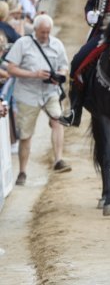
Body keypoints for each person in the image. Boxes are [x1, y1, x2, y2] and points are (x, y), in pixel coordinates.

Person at [5, 14, 71, 185]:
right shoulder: (22, 44)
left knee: (58, 120)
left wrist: (60, 76)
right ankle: (22, 171)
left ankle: (58, 160)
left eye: (48, 32)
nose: (45, 35)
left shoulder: (57, 44)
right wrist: (33, 74)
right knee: (26, 134)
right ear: (35, 30)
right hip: (27, 93)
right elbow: (11, 68)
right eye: (42, 32)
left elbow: (64, 66)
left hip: (50, 91)